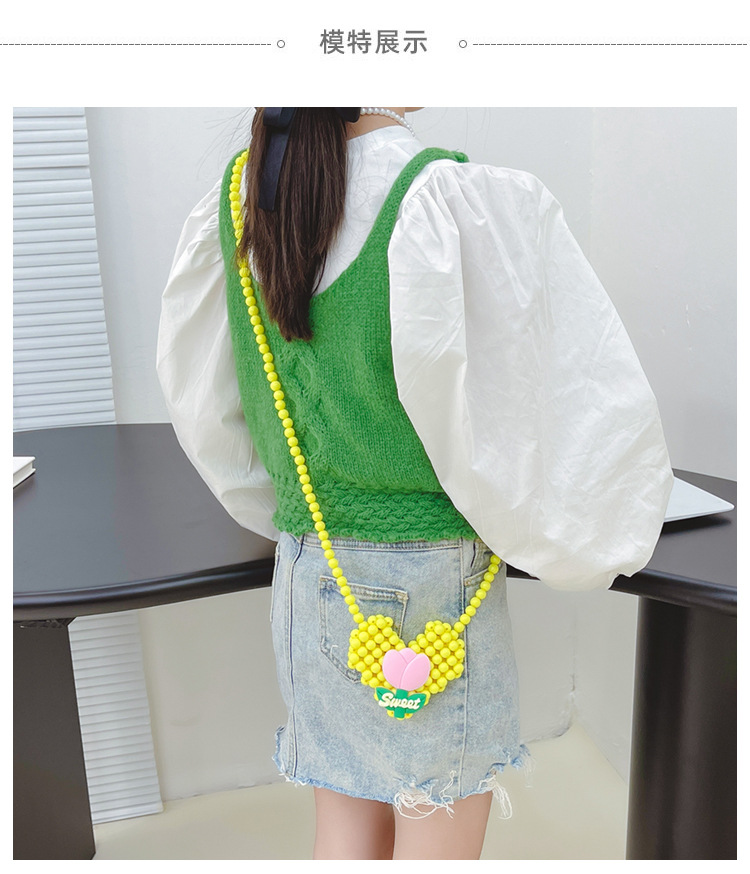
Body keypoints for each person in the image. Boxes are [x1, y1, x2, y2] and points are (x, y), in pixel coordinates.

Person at [156, 107, 673, 860]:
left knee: (345, 821)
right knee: (437, 837)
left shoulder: (243, 196)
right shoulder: (437, 197)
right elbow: (511, 415)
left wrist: (294, 510)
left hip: (308, 567)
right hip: (432, 585)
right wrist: (584, 534)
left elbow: (206, 409)